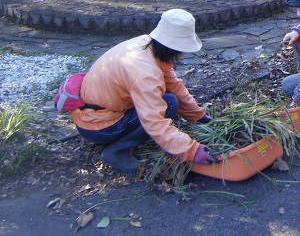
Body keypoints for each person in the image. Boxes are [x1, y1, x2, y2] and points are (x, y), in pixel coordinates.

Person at [71, 9, 216, 172]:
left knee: (170, 100)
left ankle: (125, 137)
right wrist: (192, 150)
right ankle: (116, 151)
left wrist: (198, 116)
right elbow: (154, 122)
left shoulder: (148, 46)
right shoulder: (145, 72)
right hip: (99, 127)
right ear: (176, 48)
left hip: (99, 111)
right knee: (168, 105)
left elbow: (174, 86)